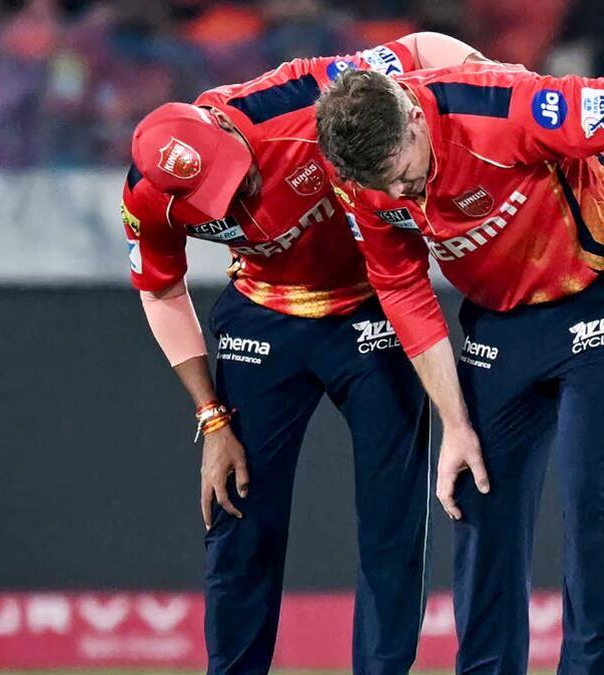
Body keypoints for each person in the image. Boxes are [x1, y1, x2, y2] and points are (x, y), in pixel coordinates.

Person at [120, 33, 485, 675]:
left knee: (392, 521)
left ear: (223, 128)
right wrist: (211, 416)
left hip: (371, 305)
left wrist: (506, 82)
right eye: (216, 199)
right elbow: (161, 290)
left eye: (235, 175)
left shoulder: (308, 92)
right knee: (237, 515)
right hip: (263, 314)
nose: (240, 196)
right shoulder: (147, 196)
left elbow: (422, 49)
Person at [316, 64, 604, 674]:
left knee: (590, 500)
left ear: (413, 117)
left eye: (404, 173)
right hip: (503, 321)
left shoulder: (503, 108)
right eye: (385, 186)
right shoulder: (363, 174)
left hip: (603, 290)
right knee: (477, 497)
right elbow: (402, 288)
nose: (402, 196)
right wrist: (455, 425)